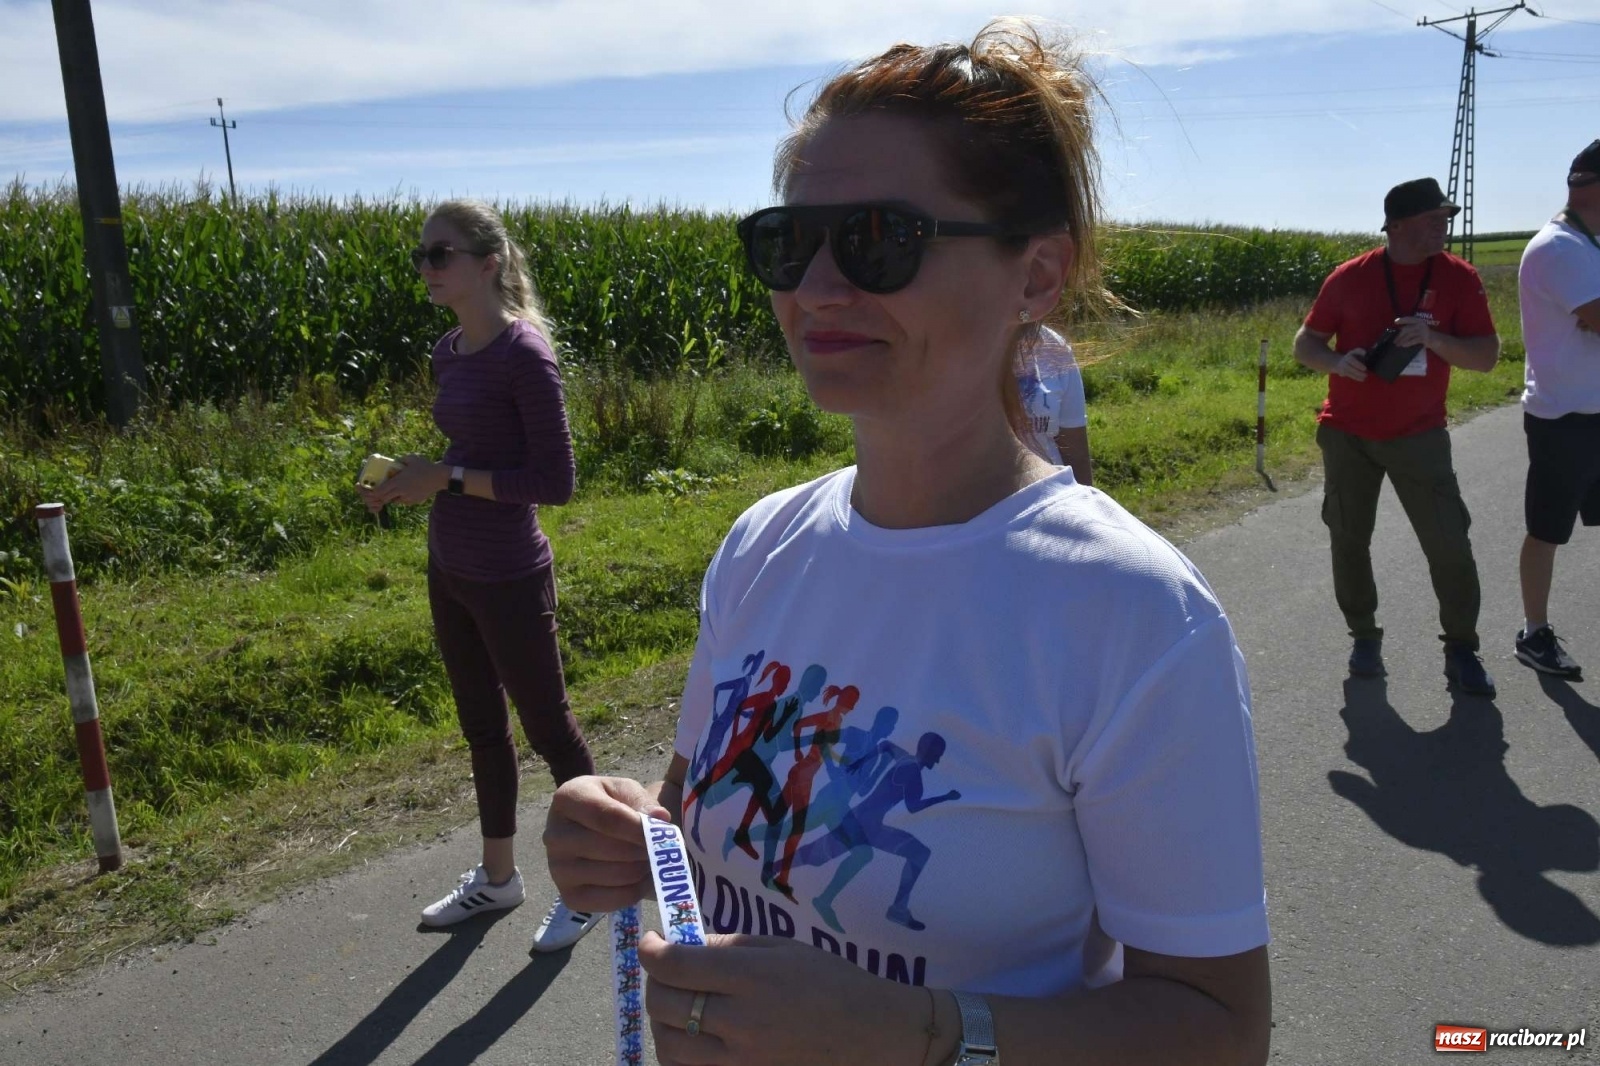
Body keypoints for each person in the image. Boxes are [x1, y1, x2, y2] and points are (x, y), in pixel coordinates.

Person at [544, 21, 1271, 1065]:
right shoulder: (762, 545)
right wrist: (630, 832)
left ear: (1035, 275)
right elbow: (699, 820)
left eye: (880, 238)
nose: (820, 288)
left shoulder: (1132, 614)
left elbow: (1217, 1030)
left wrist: (916, 1033)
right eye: (788, 244)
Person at [359, 199, 600, 951]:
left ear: (487, 263)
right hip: (450, 565)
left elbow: (554, 482)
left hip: (507, 573)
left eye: (442, 254)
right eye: (422, 255)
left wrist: (448, 479)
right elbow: (464, 455)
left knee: (549, 729)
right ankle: (499, 880)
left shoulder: (524, 355)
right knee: (482, 730)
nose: (427, 267)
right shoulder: (450, 351)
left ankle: (592, 883)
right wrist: (407, 479)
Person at [1292, 177, 1501, 696]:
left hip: (1419, 436)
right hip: (1347, 434)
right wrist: (1337, 361)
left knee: (1449, 545)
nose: (1444, 227)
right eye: (1434, 219)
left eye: (1445, 218)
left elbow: (1487, 356)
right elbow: (1306, 343)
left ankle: (1462, 648)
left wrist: (1432, 336)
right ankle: (1364, 635)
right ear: (1399, 225)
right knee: (1348, 537)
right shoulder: (1349, 278)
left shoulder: (1459, 278)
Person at [1513, 139, 1600, 678]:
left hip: (1592, 411)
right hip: (1564, 418)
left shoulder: (1587, 244)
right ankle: (1534, 633)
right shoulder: (1560, 249)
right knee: (1547, 529)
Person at [1016, 325, 1094, 484]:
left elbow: (1076, 453)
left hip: (1051, 491)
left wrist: (1081, 504)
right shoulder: (961, 346)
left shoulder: (1054, 346)